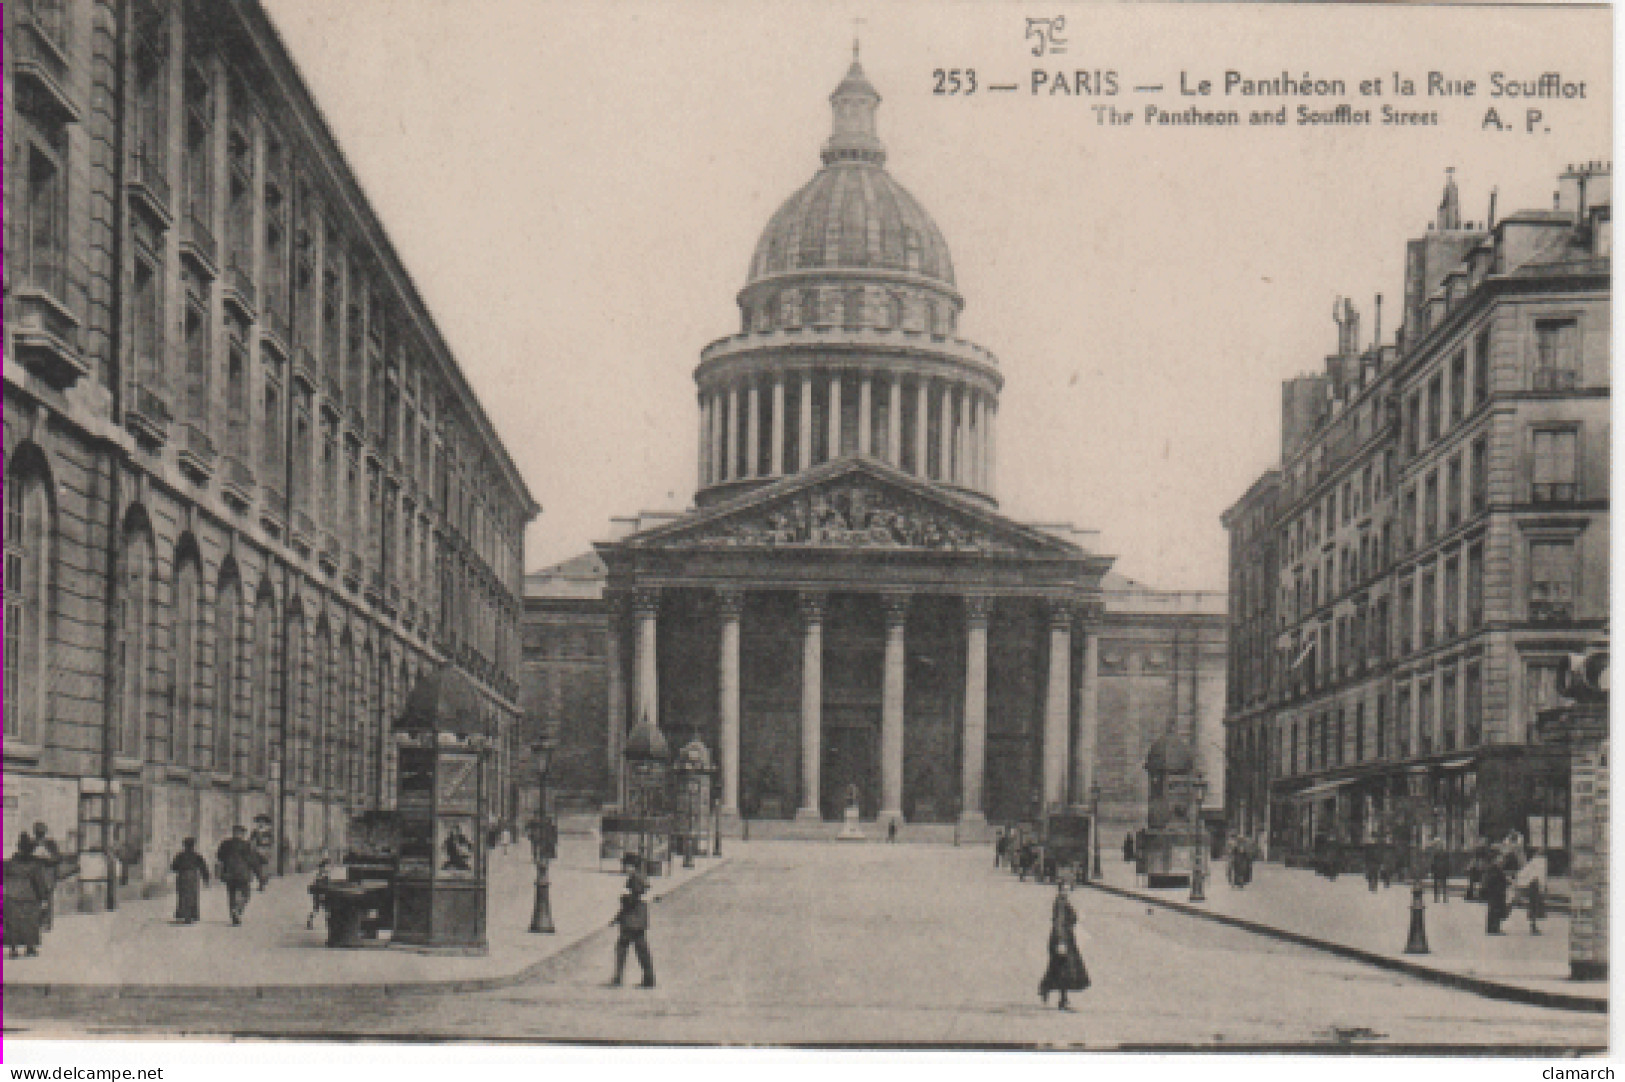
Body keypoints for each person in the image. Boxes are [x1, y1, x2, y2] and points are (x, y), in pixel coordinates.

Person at [1038, 878, 1089, 1011]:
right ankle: (1062, 1000)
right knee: (1065, 969)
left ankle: (1046, 987)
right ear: (1060, 889)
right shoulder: (1060, 902)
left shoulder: (1063, 901)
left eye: (1068, 889)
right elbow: (1059, 923)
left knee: (1058, 968)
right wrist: (1061, 941)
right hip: (1062, 939)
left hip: (1064, 938)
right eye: (1064, 889)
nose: (1066, 891)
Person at [5, 834, 52, 958]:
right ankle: (30, 948)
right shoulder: (34, 865)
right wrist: (44, 897)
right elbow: (39, 883)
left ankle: (13, 950)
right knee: (30, 923)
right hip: (29, 897)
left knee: (13, 924)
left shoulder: (10, 864)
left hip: (11, 896)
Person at [609, 873, 655, 989]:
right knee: (642, 952)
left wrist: (616, 919)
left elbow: (623, 912)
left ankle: (618, 976)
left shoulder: (628, 901)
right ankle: (649, 977)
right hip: (639, 927)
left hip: (628, 927)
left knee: (622, 949)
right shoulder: (642, 902)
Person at [216, 826, 261, 926]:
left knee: (231, 894)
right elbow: (252, 861)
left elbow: (219, 857)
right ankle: (238, 909)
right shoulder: (246, 845)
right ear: (242, 834)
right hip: (243, 873)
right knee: (246, 894)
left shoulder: (225, 844)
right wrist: (259, 876)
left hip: (229, 873)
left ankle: (234, 915)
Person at [30, 822, 64, 932]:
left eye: (41, 832)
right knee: (37, 900)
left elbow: (58, 858)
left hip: (48, 875)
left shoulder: (50, 844)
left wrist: (47, 858)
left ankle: (47, 923)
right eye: (38, 832)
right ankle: (38, 922)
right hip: (36, 875)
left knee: (48, 900)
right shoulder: (32, 844)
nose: (40, 834)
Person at [170, 838, 210, 924]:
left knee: (182, 895)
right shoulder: (197, 856)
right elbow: (203, 868)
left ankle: (183, 914)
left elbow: (173, 867)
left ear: (184, 845)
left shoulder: (180, 856)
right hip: (193, 876)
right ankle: (192, 914)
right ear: (193, 846)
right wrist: (206, 879)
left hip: (182, 876)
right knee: (193, 896)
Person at [1518, 848, 1548, 935]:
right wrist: (1543, 887)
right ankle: (1533, 926)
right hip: (1535, 886)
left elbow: (1523, 873)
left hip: (1531, 885)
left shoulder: (1532, 862)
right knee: (1535, 906)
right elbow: (1541, 875)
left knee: (1533, 906)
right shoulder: (1541, 862)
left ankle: (1533, 925)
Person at [1482, 853, 1510, 935]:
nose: (1502, 862)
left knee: (1495, 910)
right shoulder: (1493, 869)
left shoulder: (1496, 869)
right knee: (1494, 910)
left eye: (1502, 861)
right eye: (1500, 860)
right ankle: (1493, 929)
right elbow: (1492, 880)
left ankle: (1494, 928)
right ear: (1495, 860)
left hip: (1497, 892)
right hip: (1495, 892)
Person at [249, 819, 275, 891]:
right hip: (257, 850)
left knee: (264, 867)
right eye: (259, 822)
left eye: (262, 822)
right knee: (257, 866)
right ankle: (261, 880)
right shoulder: (255, 832)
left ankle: (262, 882)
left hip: (265, 850)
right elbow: (251, 841)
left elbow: (271, 842)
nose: (260, 824)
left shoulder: (268, 833)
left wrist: (269, 850)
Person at [307, 857, 332, 930]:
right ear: (323, 867)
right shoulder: (321, 876)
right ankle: (310, 921)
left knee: (322, 910)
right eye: (327, 866)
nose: (328, 868)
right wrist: (321, 894)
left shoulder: (323, 875)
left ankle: (311, 921)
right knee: (319, 910)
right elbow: (320, 885)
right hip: (320, 894)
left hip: (322, 894)